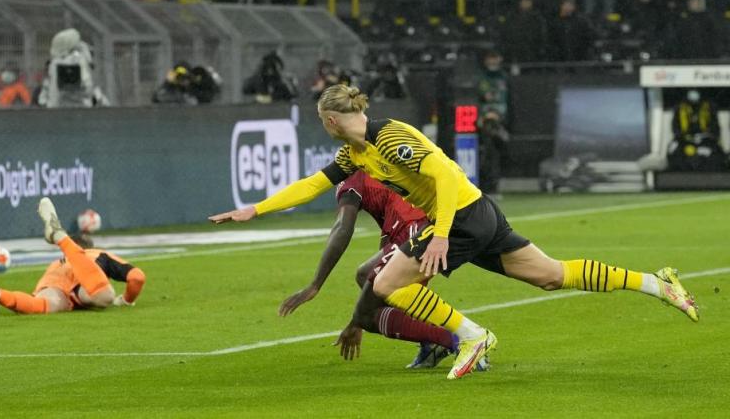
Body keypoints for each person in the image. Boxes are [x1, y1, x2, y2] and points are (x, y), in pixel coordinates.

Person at [210, 84, 699, 380]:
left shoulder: (389, 137)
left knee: (387, 283)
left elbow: (445, 174)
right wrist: (258, 209)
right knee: (551, 275)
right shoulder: (354, 152)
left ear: (332, 119)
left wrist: (441, 233)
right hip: (478, 213)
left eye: (323, 122)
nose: (324, 127)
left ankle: (472, 336)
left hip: (460, 216)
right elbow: (312, 184)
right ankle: (657, 284)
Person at [279, 171, 473, 369]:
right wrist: (356, 319)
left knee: (367, 312)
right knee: (366, 276)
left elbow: (342, 228)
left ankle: (461, 341)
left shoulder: (352, 175)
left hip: (416, 232)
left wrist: (315, 285)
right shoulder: (379, 167)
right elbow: (386, 245)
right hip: (432, 225)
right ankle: (433, 343)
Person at [0, 198, 146, 316]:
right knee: (105, 296)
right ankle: (60, 237)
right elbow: (137, 277)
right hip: (84, 282)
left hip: (55, 277)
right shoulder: (97, 254)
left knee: (42, 305)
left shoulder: (56, 263)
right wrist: (126, 300)